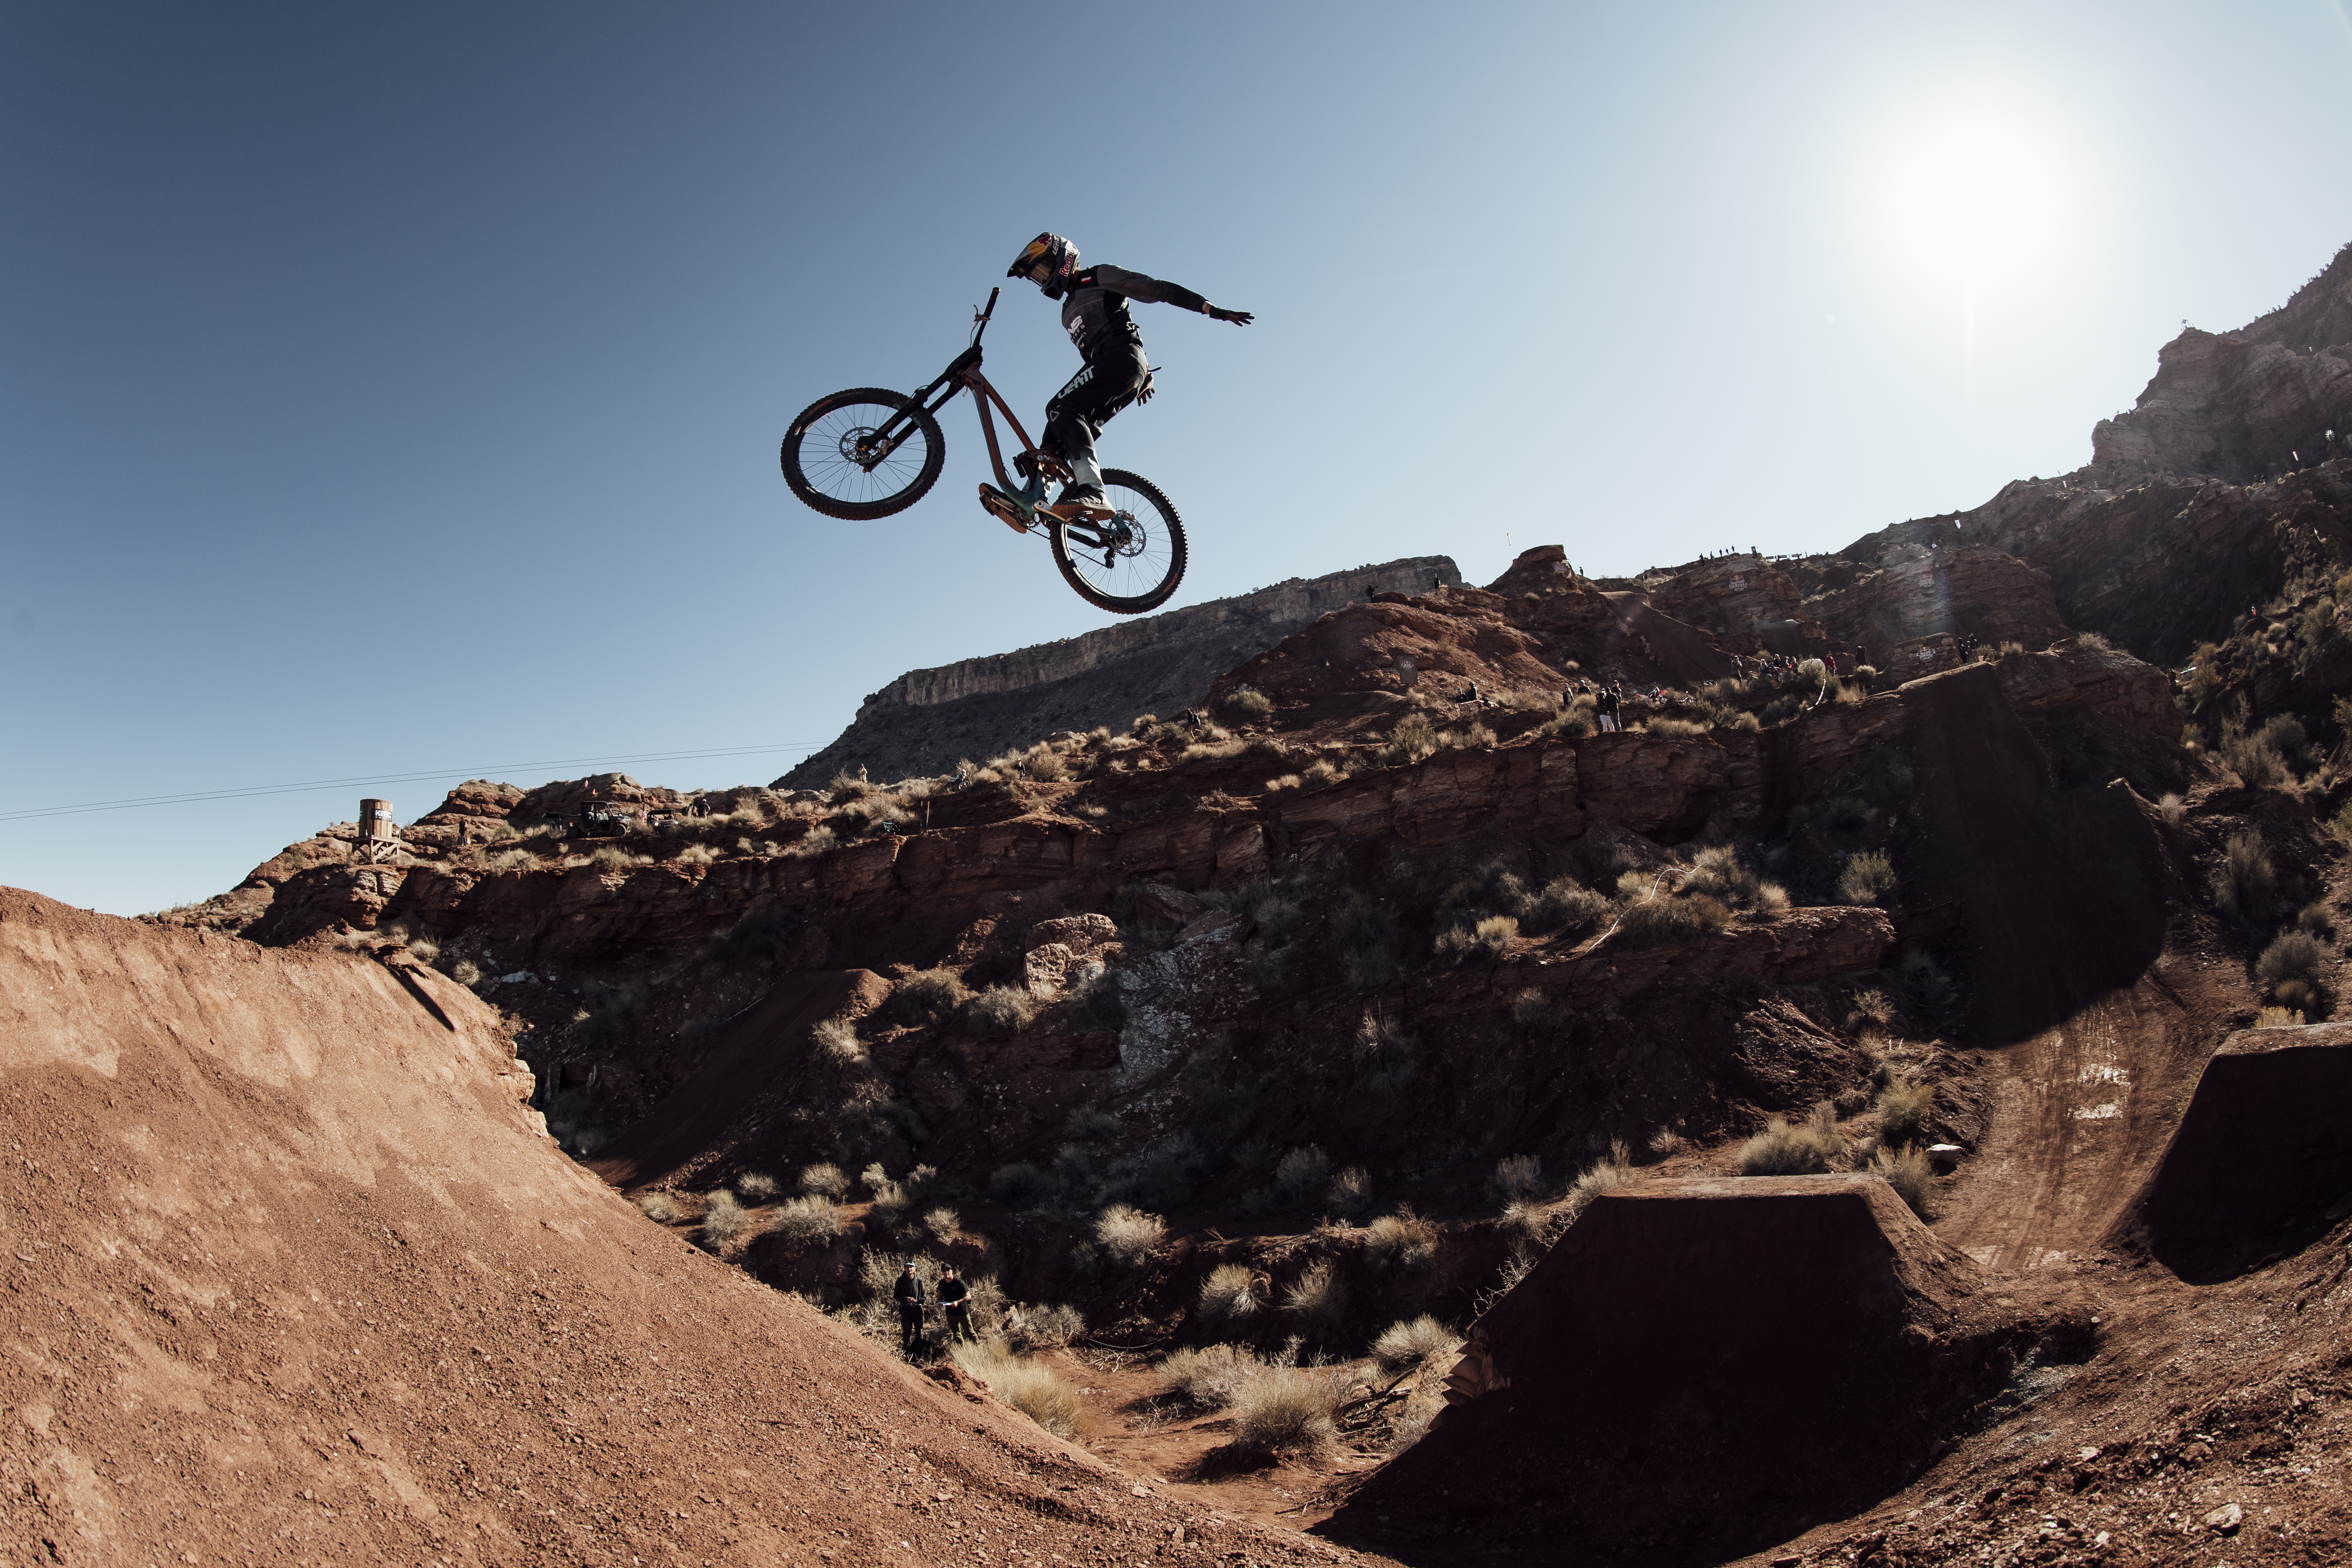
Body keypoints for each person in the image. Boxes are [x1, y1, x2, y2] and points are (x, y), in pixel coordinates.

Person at [1006, 233, 1252, 523]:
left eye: (1044, 270)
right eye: (1038, 276)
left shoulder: (1098, 276)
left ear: (1061, 258)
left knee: (1059, 408)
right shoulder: (1066, 312)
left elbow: (1157, 289)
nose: (1044, 279)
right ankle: (1032, 503)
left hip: (1123, 359)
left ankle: (1093, 490)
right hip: (1113, 369)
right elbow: (1091, 363)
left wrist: (1210, 309)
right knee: (1051, 438)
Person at [893, 1262, 926, 1355]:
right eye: (907, 1267)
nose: (909, 1269)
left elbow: (924, 1297)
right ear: (905, 1269)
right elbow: (896, 1296)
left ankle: (919, 1356)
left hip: (918, 1312)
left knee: (919, 1335)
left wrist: (917, 1303)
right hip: (906, 1313)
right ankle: (906, 1357)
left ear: (915, 1269)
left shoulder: (919, 1281)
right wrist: (906, 1299)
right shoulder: (900, 1281)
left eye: (911, 1267)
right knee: (907, 1335)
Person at [938, 1266, 974, 1344]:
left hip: (962, 1312)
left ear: (952, 1271)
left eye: (948, 1270)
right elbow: (940, 1295)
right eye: (944, 1271)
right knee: (956, 1334)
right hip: (950, 1313)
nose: (946, 1272)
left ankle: (978, 1348)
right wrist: (940, 1302)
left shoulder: (959, 1283)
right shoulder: (942, 1283)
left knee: (970, 1332)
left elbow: (968, 1297)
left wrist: (958, 1302)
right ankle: (961, 1351)